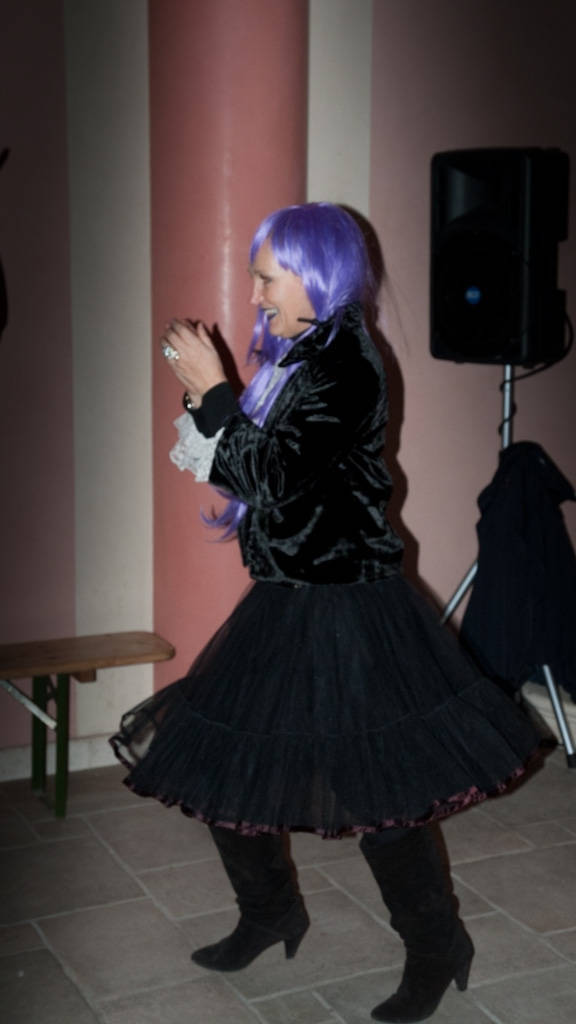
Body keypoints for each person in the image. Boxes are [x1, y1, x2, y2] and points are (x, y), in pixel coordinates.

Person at [111, 202, 540, 1023]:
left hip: (350, 606)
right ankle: (271, 913)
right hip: (285, 600)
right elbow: (252, 470)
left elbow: (271, 474)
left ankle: (437, 945)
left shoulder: (349, 362)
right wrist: (213, 398)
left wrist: (213, 392)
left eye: (267, 277)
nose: (254, 294)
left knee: (378, 794)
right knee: (224, 763)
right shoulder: (300, 356)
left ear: (317, 275)